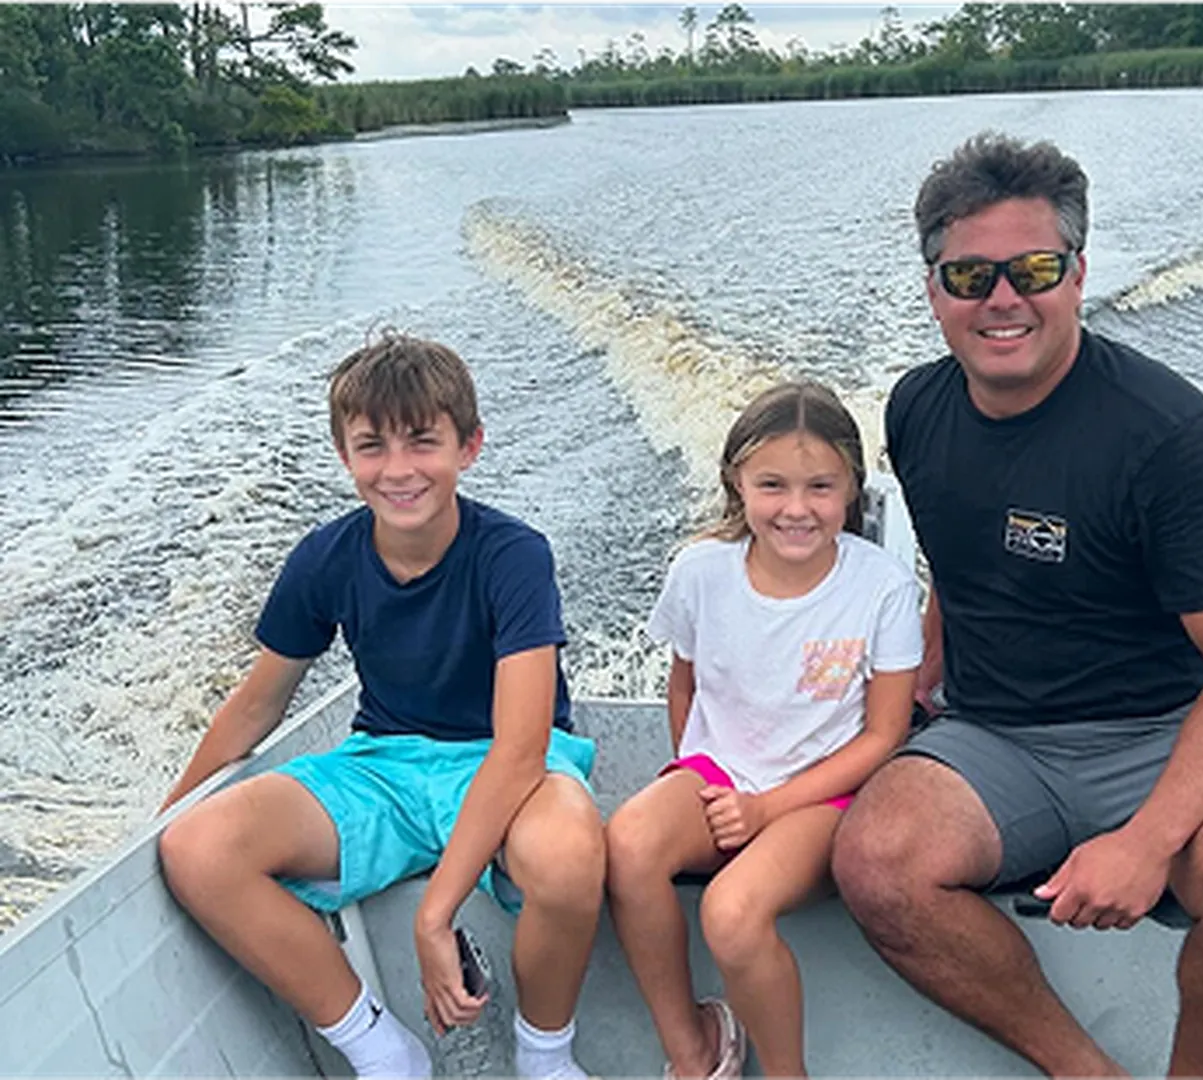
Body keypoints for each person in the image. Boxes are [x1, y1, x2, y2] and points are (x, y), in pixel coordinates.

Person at [831, 133, 1203, 1080]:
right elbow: (949, 562)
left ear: (1078, 274)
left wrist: (1146, 842)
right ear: (932, 286)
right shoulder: (916, 410)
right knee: (876, 861)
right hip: (996, 735)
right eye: (968, 274)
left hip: (1166, 730)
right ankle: (1085, 1072)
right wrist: (921, 673)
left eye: (1034, 269)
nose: (1002, 300)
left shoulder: (1174, 440)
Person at [157, 334, 605, 1080]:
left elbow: (521, 747)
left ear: (469, 447)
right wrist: (160, 825)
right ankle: (382, 1054)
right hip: (385, 765)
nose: (397, 471)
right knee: (197, 849)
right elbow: (256, 705)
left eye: (423, 443)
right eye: (372, 447)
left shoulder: (513, 556)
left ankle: (545, 1057)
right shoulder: (325, 558)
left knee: (566, 855)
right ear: (345, 456)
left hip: (509, 762)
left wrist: (436, 917)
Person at [606, 382, 923, 1080]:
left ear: (850, 488)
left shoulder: (882, 588)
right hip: (722, 778)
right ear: (736, 484)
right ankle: (691, 1050)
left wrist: (764, 811)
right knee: (627, 843)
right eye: (772, 485)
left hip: (823, 797)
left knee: (731, 911)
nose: (797, 508)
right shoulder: (700, 571)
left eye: (820, 486)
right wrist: (695, 780)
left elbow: (884, 735)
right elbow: (684, 682)